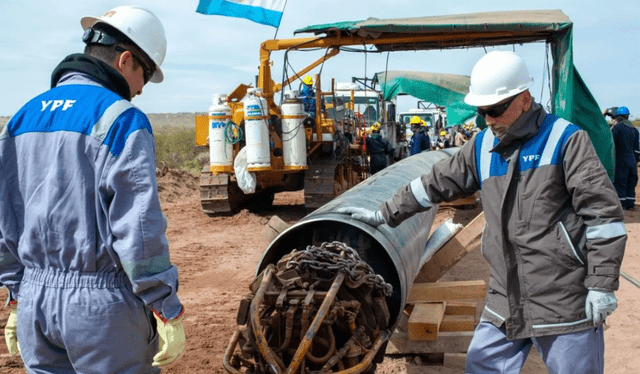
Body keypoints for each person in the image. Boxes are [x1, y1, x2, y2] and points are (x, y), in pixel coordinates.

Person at [338, 50, 625, 374]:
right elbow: (435, 183)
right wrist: (385, 213)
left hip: (561, 294)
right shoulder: (483, 146)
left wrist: (601, 284)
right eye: (483, 110)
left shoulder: (566, 141)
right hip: (507, 297)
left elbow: (603, 215)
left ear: (525, 99)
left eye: (496, 109)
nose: (488, 118)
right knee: (482, 366)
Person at [0, 6, 185, 373]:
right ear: (126, 59)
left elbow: (6, 220)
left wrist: (16, 295)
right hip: (101, 310)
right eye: (144, 75)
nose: (141, 89)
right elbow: (139, 227)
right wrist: (165, 305)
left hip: (36, 306)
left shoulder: (21, 119)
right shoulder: (121, 120)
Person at [611, 106, 640, 210]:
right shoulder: (634, 130)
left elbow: (611, 144)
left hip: (621, 161)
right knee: (631, 183)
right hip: (632, 162)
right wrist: (635, 161)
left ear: (618, 117)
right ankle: (630, 204)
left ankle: (621, 205)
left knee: (620, 183)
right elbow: (637, 150)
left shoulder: (617, 128)